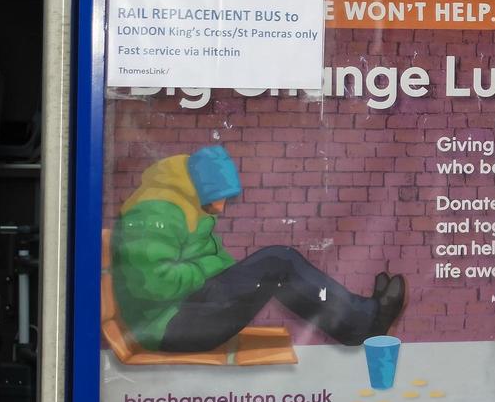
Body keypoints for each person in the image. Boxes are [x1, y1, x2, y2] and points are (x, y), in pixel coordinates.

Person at [111, 146, 406, 354]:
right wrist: (209, 270)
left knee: (278, 264)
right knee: (277, 262)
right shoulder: (155, 213)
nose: (222, 207)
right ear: (200, 187)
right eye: (218, 198)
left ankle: (359, 318)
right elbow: (157, 282)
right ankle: (363, 322)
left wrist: (216, 271)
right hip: (166, 326)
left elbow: (219, 261)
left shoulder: (190, 207)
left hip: (184, 308)